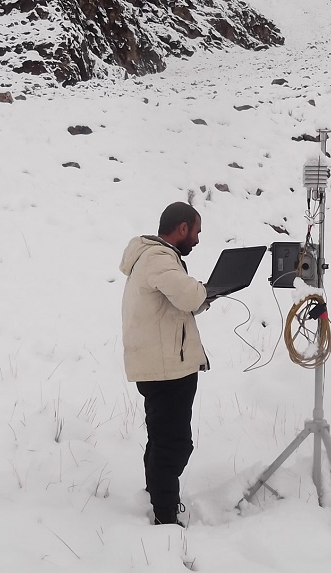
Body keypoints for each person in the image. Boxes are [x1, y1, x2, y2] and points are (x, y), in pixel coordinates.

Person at [119, 202, 210, 526]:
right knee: (175, 445)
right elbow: (188, 297)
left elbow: (181, 299)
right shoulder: (159, 259)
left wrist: (201, 296)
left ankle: (155, 494)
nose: (197, 240)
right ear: (182, 228)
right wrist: (203, 293)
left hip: (161, 365)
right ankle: (166, 516)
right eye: (196, 231)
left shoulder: (151, 258)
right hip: (166, 370)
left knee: (161, 438)